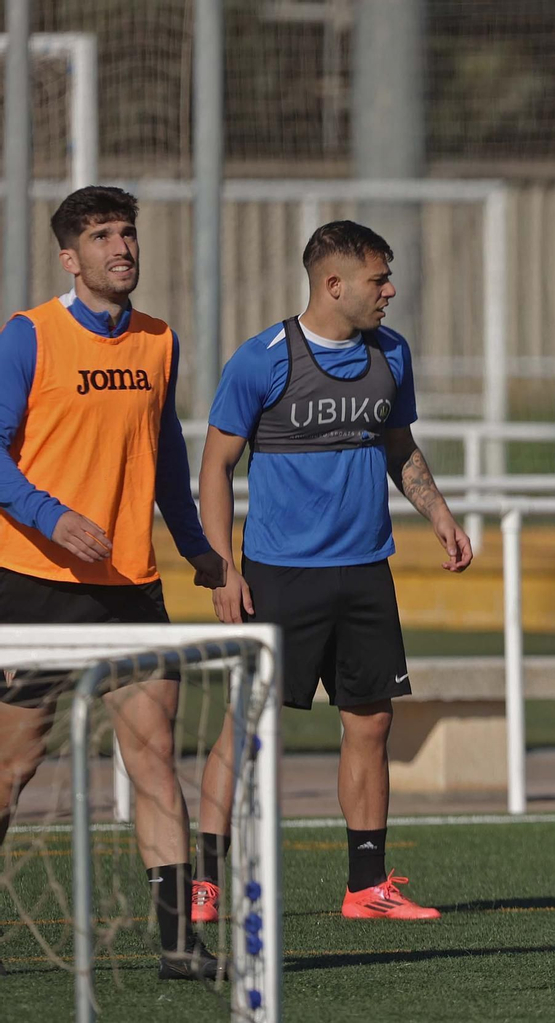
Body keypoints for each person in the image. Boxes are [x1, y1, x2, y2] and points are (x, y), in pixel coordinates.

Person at [192, 221, 471, 923]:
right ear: (334, 284)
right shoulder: (262, 360)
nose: (391, 290)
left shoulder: (392, 354)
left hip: (366, 572)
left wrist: (437, 512)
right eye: (379, 279)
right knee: (246, 727)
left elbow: (398, 445)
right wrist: (222, 569)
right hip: (279, 576)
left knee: (371, 725)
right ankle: (206, 884)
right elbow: (215, 468)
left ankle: (367, 886)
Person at [0, 186, 227, 980]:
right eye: (101, 236)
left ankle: (177, 943)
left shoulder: (158, 341)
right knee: (14, 762)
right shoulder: (28, 336)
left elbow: (165, 458)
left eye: (127, 232)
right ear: (71, 257)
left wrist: (200, 548)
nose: (121, 247)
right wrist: (48, 515)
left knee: (155, 752)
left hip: (131, 583)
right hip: (36, 582)